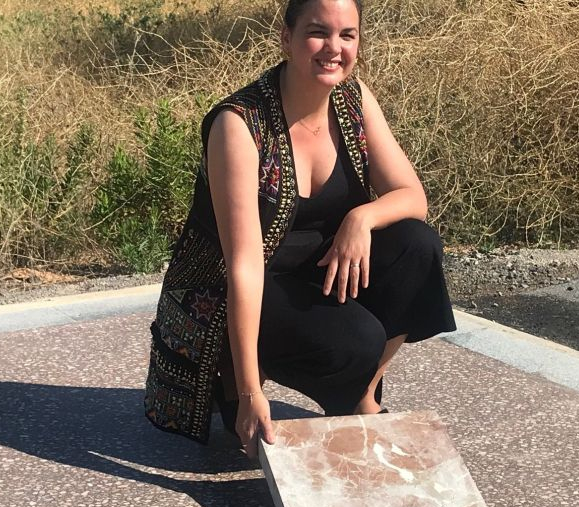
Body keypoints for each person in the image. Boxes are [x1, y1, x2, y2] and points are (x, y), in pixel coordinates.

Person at [144, 0, 455, 458]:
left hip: (315, 274)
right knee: (358, 339)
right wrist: (250, 393)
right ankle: (238, 372)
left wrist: (360, 218)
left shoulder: (354, 100)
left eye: (347, 35)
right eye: (317, 32)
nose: (334, 48)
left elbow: (413, 197)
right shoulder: (239, 125)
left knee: (418, 245)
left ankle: (361, 398)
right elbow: (244, 267)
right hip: (239, 289)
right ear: (286, 39)